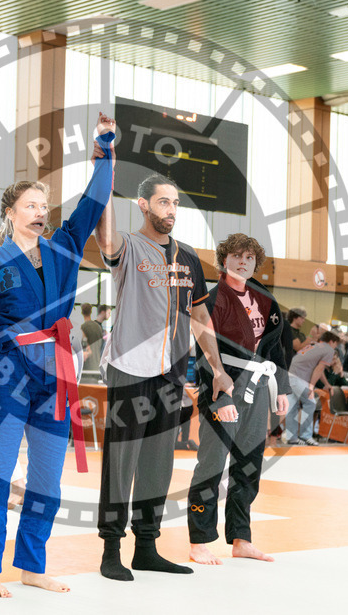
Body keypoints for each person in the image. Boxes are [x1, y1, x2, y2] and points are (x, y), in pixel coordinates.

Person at [0, 114, 116, 598]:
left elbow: (93, 202)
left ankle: (32, 563)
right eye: (30, 205)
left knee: (48, 475)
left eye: (44, 206)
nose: (39, 212)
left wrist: (105, 151)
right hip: (9, 371)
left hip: (57, 372)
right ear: (11, 212)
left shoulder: (64, 249)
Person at [94, 165, 235, 583]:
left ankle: (147, 548)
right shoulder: (129, 247)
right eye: (163, 201)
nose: (171, 209)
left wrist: (217, 368)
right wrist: (106, 168)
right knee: (121, 464)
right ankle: (111, 548)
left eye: (174, 202)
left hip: (172, 374)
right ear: (143, 205)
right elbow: (106, 238)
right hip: (129, 370)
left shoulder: (188, 256)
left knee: (158, 464)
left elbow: (199, 313)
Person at [186, 233, 289, 567]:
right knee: (212, 463)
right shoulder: (212, 298)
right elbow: (203, 350)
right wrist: (218, 397)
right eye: (236, 256)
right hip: (223, 383)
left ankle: (241, 539)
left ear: (255, 262)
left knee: (249, 464)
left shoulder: (265, 299)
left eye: (249, 257)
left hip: (259, 385)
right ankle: (199, 540)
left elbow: (275, 348)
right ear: (224, 260)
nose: (243, 262)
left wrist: (282, 388)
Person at [285, 330, 341, 445]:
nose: (335, 347)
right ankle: (306, 436)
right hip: (299, 377)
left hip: (290, 375)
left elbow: (318, 370)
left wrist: (326, 384)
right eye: (336, 344)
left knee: (292, 407)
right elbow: (319, 369)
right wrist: (311, 387)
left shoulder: (313, 345)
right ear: (332, 341)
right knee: (310, 403)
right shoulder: (329, 349)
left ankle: (292, 438)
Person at [80, 302, 105, 379]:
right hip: (97, 364)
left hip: (87, 366)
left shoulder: (83, 327)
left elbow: (83, 346)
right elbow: (102, 346)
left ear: (82, 312)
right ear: (91, 312)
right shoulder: (98, 327)